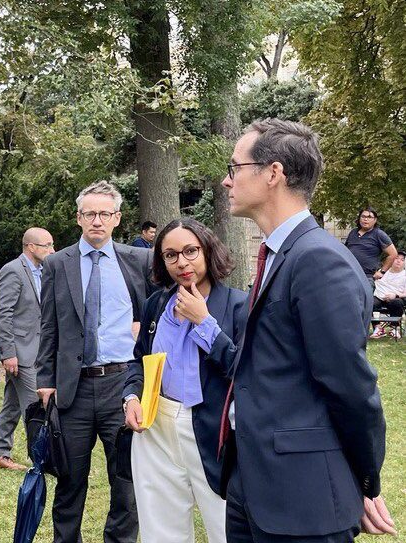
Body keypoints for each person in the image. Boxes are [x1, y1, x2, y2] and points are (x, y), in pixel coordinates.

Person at [220, 118, 394, 541]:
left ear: (273, 173)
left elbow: (349, 385)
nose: (226, 182)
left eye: (234, 168)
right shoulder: (280, 254)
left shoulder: (318, 260)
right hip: (252, 482)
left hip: (302, 497)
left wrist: (365, 481)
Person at [35, 180, 153, 543]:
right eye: (90, 214)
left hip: (123, 385)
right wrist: (45, 379)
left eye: (104, 214)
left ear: (117, 218)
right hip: (74, 387)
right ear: (78, 218)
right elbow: (49, 325)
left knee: (125, 481)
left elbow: (156, 315)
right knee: (70, 479)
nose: (97, 221)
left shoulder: (140, 261)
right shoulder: (57, 263)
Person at [123, 218, 248, 543]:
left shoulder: (237, 306)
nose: (182, 262)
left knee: (226, 528)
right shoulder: (156, 305)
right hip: (156, 429)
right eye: (171, 255)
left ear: (207, 250)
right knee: (161, 532)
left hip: (213, 429)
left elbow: (243, 369)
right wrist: (131, 397)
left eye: (190, 251)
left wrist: (204, 322)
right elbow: (139, 360)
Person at [0, 227, 55, 471]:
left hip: (36, 349)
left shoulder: (42, 271)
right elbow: (3, 314)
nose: (52, 250)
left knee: (12, 403)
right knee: (35, 406)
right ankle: (43, 459)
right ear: (31, 247)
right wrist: (9, 353)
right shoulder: (13, 270)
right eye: (47, 245)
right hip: (20, 352)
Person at [345, 207, 397, 284]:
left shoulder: (379, 234)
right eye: (363, 216)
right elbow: (346, 251)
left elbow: (393, 254)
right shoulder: (353, 232)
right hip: (349, 274)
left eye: (369, 217)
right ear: (359, 218)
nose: (365, 219)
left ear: (375, 220)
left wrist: (382, 272)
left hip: (367, 278)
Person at [370, 250, 406, 339]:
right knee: (368, 302)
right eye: (396, 258)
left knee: (397, 302)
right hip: (379, 297)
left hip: (395, 299)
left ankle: (394, 328)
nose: (398, 261)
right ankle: (378, 328)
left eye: (402, 260)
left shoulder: (404, 275)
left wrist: (396, 295)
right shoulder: (382, 271)